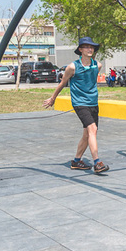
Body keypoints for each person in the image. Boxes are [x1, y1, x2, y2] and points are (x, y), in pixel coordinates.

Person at [43, 37, 109, 174]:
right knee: (93, 129)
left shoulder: (98, 65)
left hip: (93, 102)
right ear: (80, 50)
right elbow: (62, 83)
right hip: (80, 103)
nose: (90, 49)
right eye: (86, 47)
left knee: (87, 134)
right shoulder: (72, 67)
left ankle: (76, 161)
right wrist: (53, 98)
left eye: (92, 47)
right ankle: (97, 163)